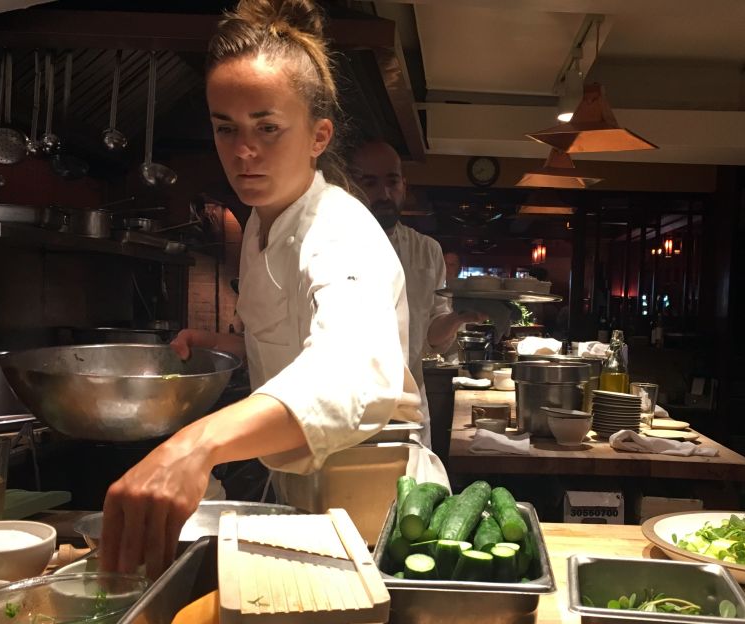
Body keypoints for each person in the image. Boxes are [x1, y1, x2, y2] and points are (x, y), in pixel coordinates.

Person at [100, 0, 424, 579]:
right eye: (227, 128)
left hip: (382, 505)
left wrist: (194, 444)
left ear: (319, 135)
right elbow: (294, 337)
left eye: (267, 127)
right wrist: (218, 341)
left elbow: (352, 371)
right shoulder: (260, 222)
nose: (243, 150)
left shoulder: (341, 228)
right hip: (308, 489)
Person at [348, 140, 486, 446]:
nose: (384, 194)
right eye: (369, 182)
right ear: (349, 186)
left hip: (408, 405)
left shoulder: (427, 251)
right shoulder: (330, 245)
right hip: (347, 410)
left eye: (392, 181)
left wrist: (457, 319)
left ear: (403, 184)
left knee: (415, 490)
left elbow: (432, 338)